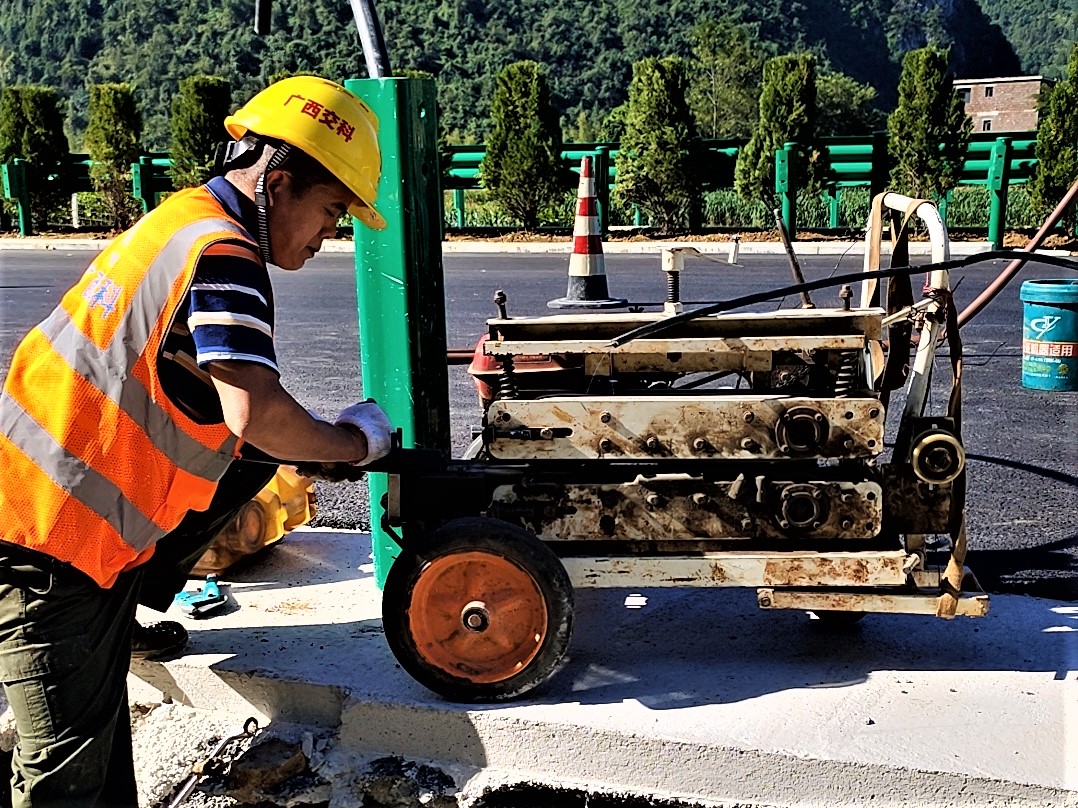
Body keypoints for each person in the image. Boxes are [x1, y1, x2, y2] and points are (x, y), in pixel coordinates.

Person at [0, 76, 394, 807]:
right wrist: (352, 443)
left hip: (57, 517)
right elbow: (256, 414)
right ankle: (105, 623)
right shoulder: (225, 253)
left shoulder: (183, 217)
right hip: (43, 546)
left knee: (253, 461)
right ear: (279, 183)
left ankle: (124, 613)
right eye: (331, 212)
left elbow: (226, 420)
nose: (328, 237)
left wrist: (305, 445)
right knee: (69, 784)